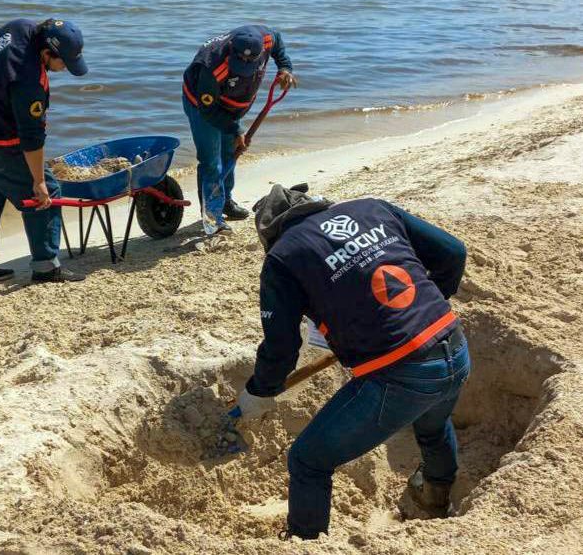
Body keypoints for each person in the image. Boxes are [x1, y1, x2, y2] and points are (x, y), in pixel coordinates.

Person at [232, 184, 470, 539]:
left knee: (308, 461)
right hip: (454, 346)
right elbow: (453, 253)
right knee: (433, 426)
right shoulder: (372, 208)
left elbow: (281, 345)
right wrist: (428, 304)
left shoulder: (282, 258)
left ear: (269, 233)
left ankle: (305, 542)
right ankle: (435, 496)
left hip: (401, 376)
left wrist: (260, 391)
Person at [0, 18, 89, 287]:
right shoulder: (29, 82)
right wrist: (38, 182)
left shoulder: (19, 27)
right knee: (46, 193)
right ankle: (46, 268)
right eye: (63, 63)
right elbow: (31, 138)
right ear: (47, 53)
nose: (64, 70)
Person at [182, 26, 297, 234]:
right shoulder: (211, 66)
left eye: (249, 64)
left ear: (260, 53)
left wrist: (285, 68)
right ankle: (212, 218)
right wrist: (237, 129)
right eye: (238, 63)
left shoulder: (267, 39)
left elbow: (278, 44)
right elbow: (208, 111)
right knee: (211, 162)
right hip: (202, 106)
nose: (242, 66)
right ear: (232, 50)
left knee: (230, 152)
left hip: (232, 104)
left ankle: (225, 201)